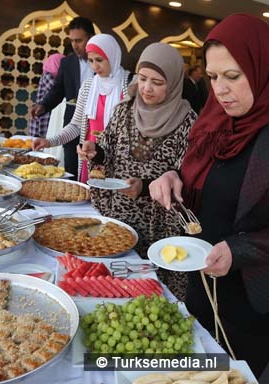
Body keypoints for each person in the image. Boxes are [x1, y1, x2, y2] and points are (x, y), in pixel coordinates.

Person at [149, 14, 269, 377]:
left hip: (257, 299)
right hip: (201, 280)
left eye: (233, 76)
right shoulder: (214, 122)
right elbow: (198, 177)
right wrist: (173, 177)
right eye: (214, 77)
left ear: (262, 68)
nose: (220, 90)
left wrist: (240, 250)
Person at [77, 43, 197, 299]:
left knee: (146, 294)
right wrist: (94, 151)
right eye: (142, 79)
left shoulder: (189, 123)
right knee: (106, 287)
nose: (147, 88)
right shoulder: (123, 110)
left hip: (157, 227)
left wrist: (144, 185)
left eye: (157, 82)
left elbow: (186, 174)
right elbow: (107, 147)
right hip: (117, 215)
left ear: (174, 82)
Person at [33, 34, 132, 183]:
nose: (94, 66)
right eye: (91, 61)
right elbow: (75, 126)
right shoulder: (88, 87)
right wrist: (49, 142)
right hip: (89, 155)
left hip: (118, 160)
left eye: (99, 60)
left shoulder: (130, 87)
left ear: (113, 56)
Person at [31, 17, 95, 178]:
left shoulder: (103, 64)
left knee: (94, 172)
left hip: (95, 126)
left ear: (91, 38)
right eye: (72, 40)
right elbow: (57, 90)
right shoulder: (67, 63)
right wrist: (43, 105)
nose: (75, 45)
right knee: (72, 170)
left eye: (79, 40)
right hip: (72, 123)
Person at [29, 53, 65, 138]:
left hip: (46, 116)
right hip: (42, 118)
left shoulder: (54, 78)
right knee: (40, 145)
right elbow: (58, 93)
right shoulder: (48, 76)